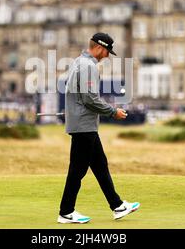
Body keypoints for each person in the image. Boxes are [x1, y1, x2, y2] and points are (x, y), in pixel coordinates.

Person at [57, 32, 140, 224]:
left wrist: (72, 111)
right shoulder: (88, 66)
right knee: (77, 170)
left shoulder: (79, 62)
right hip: (84, 126)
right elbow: (90, 99)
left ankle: (117, 206)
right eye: (108, 51)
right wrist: (113, 112)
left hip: (83, 124)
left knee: (100, 165)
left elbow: (75, 95)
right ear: (100, 48)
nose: (108, 56)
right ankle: (66, 212)